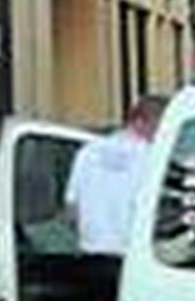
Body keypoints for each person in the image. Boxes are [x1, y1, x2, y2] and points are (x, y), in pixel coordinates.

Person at [64, 94, 167, 255]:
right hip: (132, 255)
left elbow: (71, 209)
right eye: (159, 127)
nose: (162, 134)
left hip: (90, 252)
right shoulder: (152, 156)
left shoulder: (88, 150)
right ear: (139, 122)